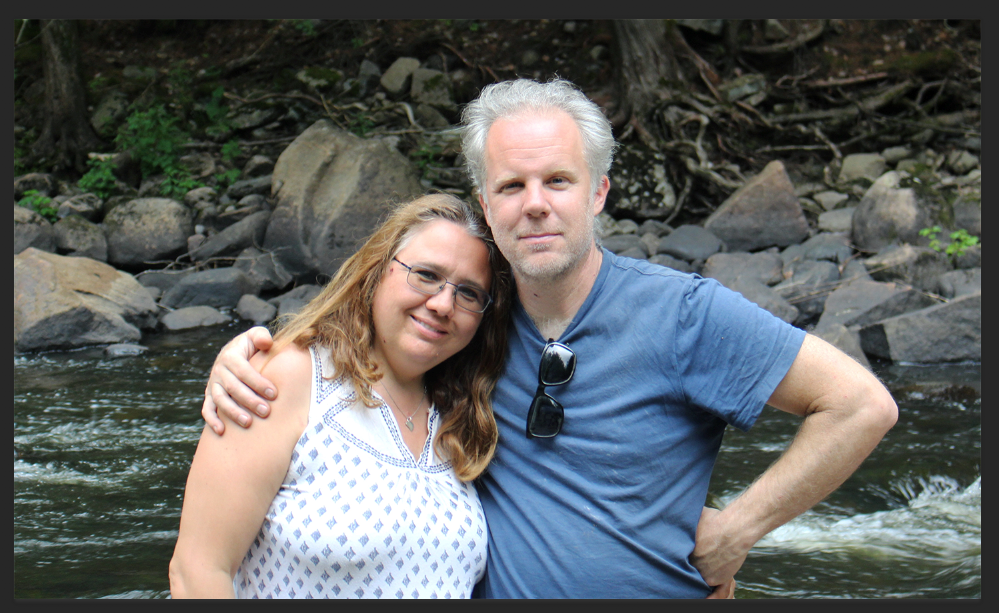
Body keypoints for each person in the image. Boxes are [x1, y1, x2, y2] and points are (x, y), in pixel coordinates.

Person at [201, 79, 898, 598]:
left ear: (596, 191)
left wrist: (739, 527)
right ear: (485, 204)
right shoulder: (467, 319)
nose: (534, 202)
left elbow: (859, 404)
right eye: (511, 185)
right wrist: (248, 354)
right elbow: (361, 346)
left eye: (557, 180)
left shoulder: (687, 314)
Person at [169, 194, 513, 598]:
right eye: (425, 274)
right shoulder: (288, 378)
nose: (442, 304)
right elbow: (198, 571)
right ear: (377, 270)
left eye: (469, 294)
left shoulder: (462, 416)